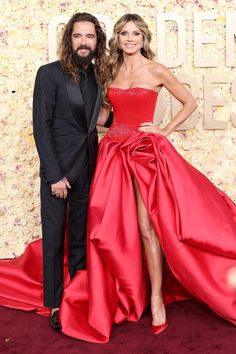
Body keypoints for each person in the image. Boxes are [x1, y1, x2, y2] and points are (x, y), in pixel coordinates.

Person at [0, 13, 235, 343]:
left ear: (143, 38)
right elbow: (102, 116)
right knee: (107, 227)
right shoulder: (106, 71)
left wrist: (164, 130)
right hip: (111, 154)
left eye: (135, 33)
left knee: (146, 226)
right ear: (115, 39)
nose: (129, 38)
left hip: (142, 152)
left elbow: (189, 101)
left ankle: (155, 298)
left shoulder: (153, 70)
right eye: (124, 33)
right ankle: (97, 296)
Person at [32, 12, 107, 331]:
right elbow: (41, 127)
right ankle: (53, 304)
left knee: (80, 239)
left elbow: (95, 124)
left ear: (97, 41)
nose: (84, 42)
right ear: (69, 39)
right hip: (59, 172)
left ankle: (77, 297)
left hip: (89, 169)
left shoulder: (99, 77)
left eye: (90, 37)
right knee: (53, 240)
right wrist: (54, 175)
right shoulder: (49, 74)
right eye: (78, 36)